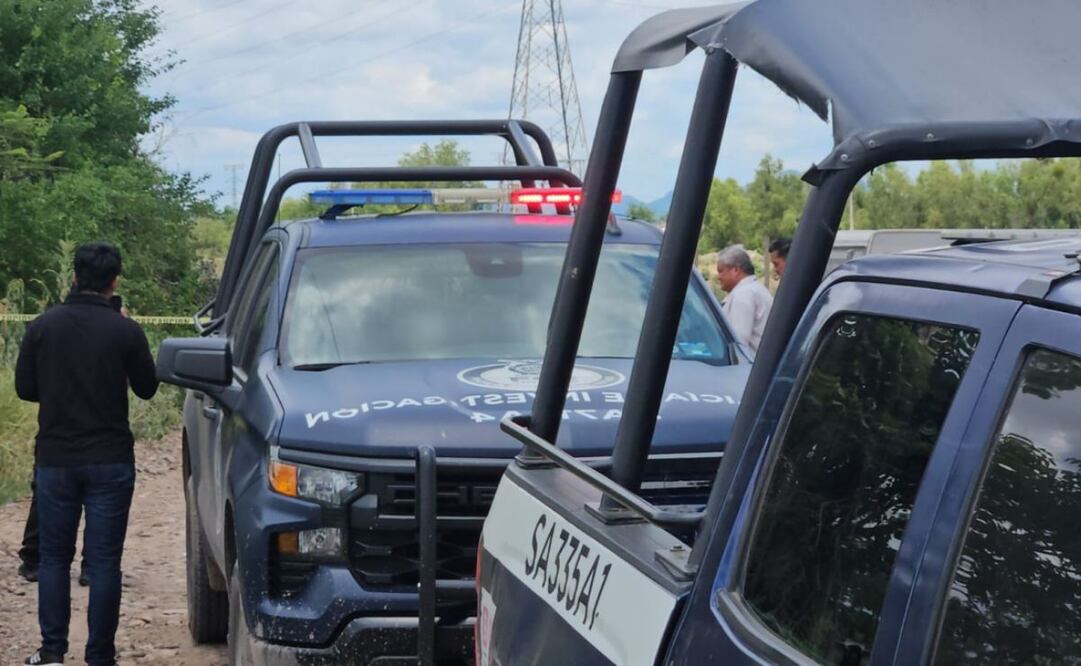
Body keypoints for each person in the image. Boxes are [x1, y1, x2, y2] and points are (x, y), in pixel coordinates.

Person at [15, 242, 158, 666]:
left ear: (74, 276)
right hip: (111, 458)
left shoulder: (42, 327)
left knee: (54, 558)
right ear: (114, 282)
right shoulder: (125, 331)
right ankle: (100, 656)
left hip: (57, 458)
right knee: (105, 562)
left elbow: (25, 390)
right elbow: (147, 387)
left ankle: (52, 652)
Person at [716, 244, 773, 356]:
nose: (719, 277)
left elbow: (739, 341)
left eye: (721, 271)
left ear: (736, 270)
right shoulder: (755, 289)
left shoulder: (743, 294)